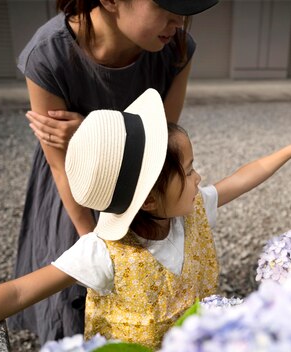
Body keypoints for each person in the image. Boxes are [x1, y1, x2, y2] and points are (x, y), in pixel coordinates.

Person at [0, 89, 291, 349]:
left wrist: (290, 150)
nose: (200, 177)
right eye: (190, 169)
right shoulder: (105, 253)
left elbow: (242, 178)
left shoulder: (191, 212)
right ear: (148, 199)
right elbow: (18, 292)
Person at [11, 0, 218, 343]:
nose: (179, 22)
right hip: (77, 186)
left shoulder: (176, 48)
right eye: (165, 6)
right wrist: (93, 239)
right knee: (77, 288)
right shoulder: (48, 55)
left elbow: (162, 138)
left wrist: (87, 128)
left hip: (149, 177)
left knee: (154, 293)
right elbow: (60, 164)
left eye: (182, 9)